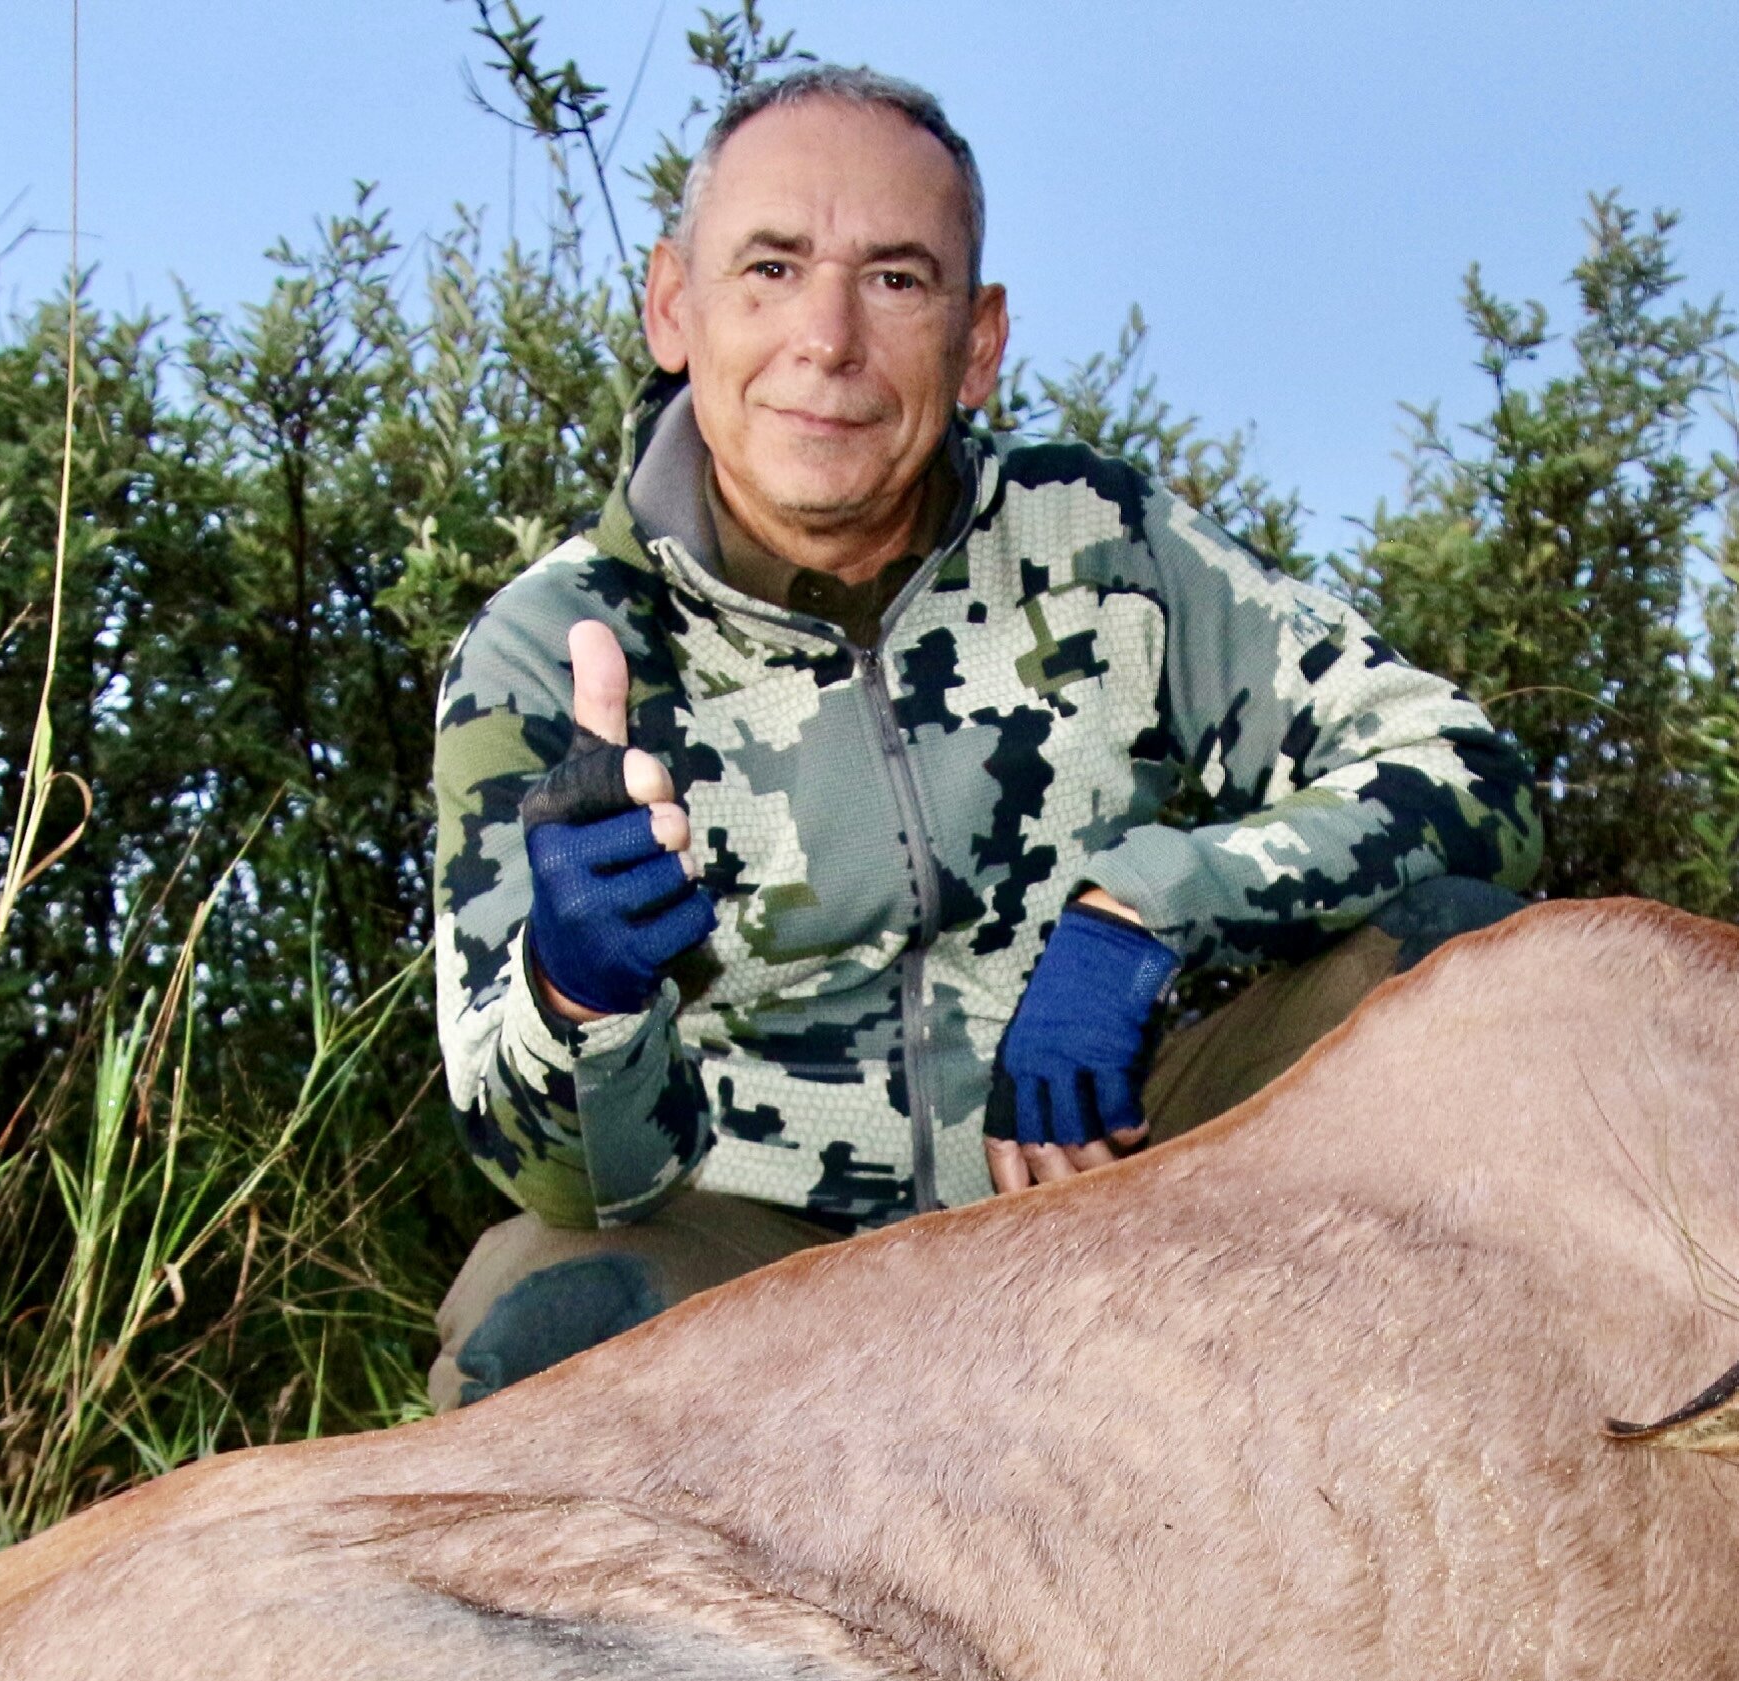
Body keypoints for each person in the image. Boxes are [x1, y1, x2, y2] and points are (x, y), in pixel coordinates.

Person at [427, 63, 1538, 1405]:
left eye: (897, 280)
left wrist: (1153, 905)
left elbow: (1466, 773)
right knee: (533, 1311)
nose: (828, 338)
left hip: (1108, 1172)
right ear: (673, 303)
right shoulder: (549, 647)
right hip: (760, 1250)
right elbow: (558, 1168)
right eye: (769, 269)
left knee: (1451, 954)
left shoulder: (1100, 540)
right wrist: (580, 998)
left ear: (979, 338)